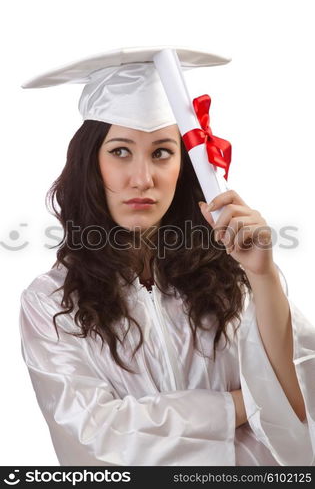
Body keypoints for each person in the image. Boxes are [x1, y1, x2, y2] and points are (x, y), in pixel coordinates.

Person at [19, 47, 315, 466]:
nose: (142, 179)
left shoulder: (230, 275)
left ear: (184, 166)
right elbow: (97, 436)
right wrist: (247, 403)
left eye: (161, 152)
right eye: (120, 151)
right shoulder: (50, 302)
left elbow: (300, 403)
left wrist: (263, 277)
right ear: (91, 164)